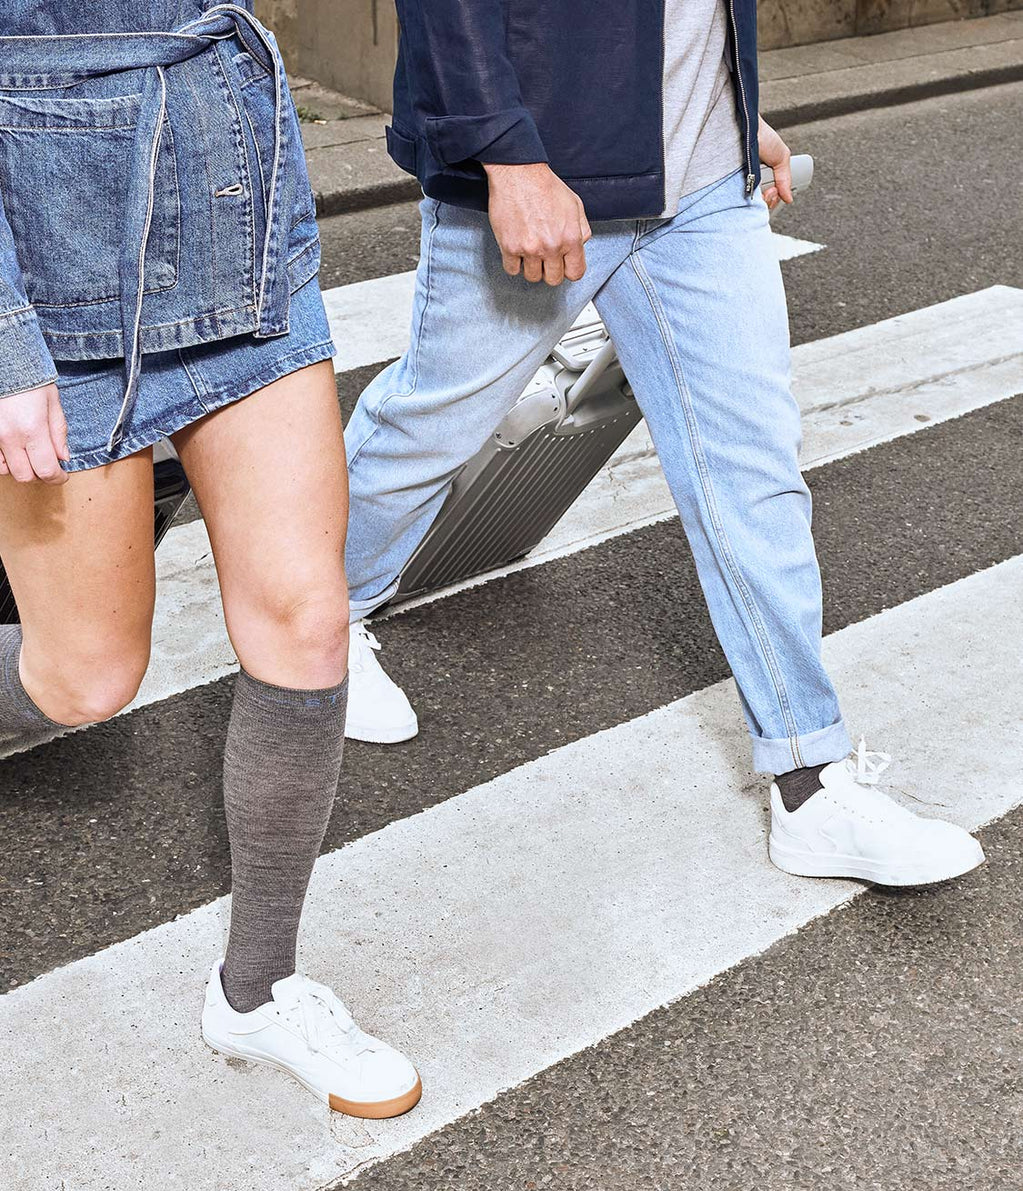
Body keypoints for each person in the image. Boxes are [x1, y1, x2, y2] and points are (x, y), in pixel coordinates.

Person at [342, 0, 984, 887]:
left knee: (752, 472)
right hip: (547, 168)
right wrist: (505, 153)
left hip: (706, 189)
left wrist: (729, 101)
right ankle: (319, 616)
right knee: (430, 426)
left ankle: (808, 779)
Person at [0, 3, 420, 1119]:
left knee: (308, 620)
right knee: (82, 678)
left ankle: (258, 988)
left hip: (236, 228)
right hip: (49, 281)